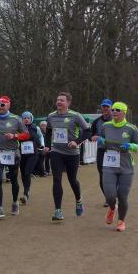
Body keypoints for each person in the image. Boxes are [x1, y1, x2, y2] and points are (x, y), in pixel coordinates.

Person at [98, 101, 138, 231]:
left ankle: (121, 221)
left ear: (124, 113)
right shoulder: (105, 126)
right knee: (110, 196)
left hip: (126, 167)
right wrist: (101, 141)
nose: (114, 112)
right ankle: (112, 208)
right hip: (109, 165)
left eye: (117, 110)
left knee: (123, 196)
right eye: (113, 109)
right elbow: (102, 141)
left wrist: (130, 145)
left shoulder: (131, 128)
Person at [44, 92, 91, 222]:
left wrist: (77, 142)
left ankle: (78, 200)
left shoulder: (75, 116)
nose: (59, 102)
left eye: (62, 100)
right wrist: (47, 145)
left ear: (68, 103)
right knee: (57, 179)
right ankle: (58, 210)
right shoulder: (51, 116)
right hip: (56, 151)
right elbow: (48, 131)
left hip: (72, 153)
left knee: (72, 180)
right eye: (58, 100)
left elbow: (88, 132)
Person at [0, 96, 29, 218]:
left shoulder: (16, 119)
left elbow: (26, 135)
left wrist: (15, 136)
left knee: (14, 179)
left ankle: (15, 202)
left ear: (8, 105)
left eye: (2, 105)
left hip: (12, 153)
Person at [90, 99, 113, 206]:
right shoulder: (96, 122)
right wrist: (92, 137)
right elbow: (91, 135)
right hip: (102, 151)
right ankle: (108, 198)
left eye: (107, 106)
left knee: (114, 174)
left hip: (114, 151)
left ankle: (114, 194)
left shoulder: (116, 120)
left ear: (111, 108)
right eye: (103, 106)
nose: (105, 108)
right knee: (102, 175)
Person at [19, 111, 43, 206]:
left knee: (27, 172)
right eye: (24, 118)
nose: (26, 119)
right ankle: (26, 191)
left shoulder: (35, 127)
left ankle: (25, 194)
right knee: (23, 174)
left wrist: (41, 145)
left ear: (31, 119)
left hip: (33, 154)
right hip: (22, 154)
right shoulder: (19, 128)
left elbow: (39, 137)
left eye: (28, 118)